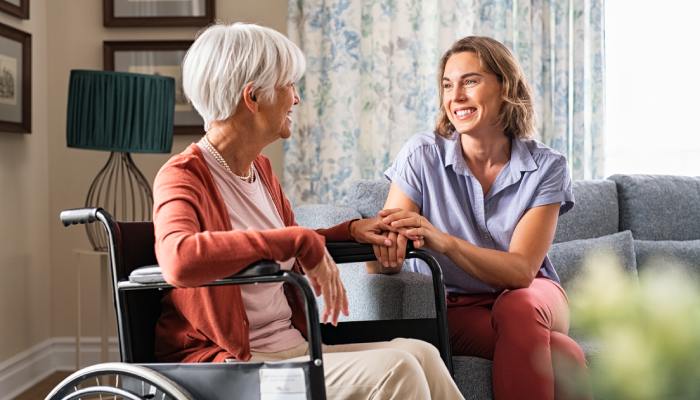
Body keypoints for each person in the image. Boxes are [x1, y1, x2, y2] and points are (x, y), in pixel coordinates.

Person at [152, 22, 464, 400]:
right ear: (252, 97)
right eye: (289, 86)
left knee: (421, 353)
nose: (296, 99)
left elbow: (282, 246)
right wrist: (297, 238)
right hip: (235, 367)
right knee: (397, 370)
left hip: (292, 350)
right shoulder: (183, 176)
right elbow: (179, 260)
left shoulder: (261, 172)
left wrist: (348, 232)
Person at [370, 36, 591, 400]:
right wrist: (388, 252)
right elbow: (386, 249)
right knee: (563, 354)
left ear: (505, 86)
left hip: (534, 296)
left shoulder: (547, 166)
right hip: (457, 306)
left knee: (517, 305)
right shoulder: (421, 155)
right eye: (447, 85)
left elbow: (521, 272)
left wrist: (444, 241)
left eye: (470, 81)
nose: (455, 96)